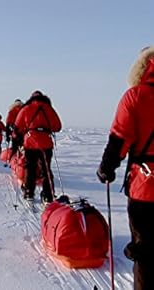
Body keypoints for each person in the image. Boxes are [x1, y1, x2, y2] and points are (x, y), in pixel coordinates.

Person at [96, 46, 154, 290]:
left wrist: (107, 168)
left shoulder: (135, 97)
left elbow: (120, 138)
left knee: (146, 254)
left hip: (147, 188)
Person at [14, 90, 62, 204]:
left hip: (30, 142)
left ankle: (29, 192)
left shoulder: (26, 109)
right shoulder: (49, 109)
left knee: (30, 168)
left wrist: (19, 137)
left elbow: (17, 127)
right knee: (46, 169)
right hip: (46, 143)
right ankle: (48, 195)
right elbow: (57, 126)